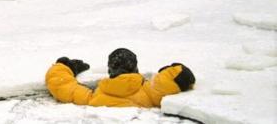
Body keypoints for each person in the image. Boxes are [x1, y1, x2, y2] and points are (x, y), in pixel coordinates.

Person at [45, 48, 195, 108]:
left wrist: (65, 67)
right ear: (136, 68)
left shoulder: (94, 97)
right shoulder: (150, 92)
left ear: (110, 70)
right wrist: (168, 70)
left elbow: (62, 86)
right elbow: (178, 75)